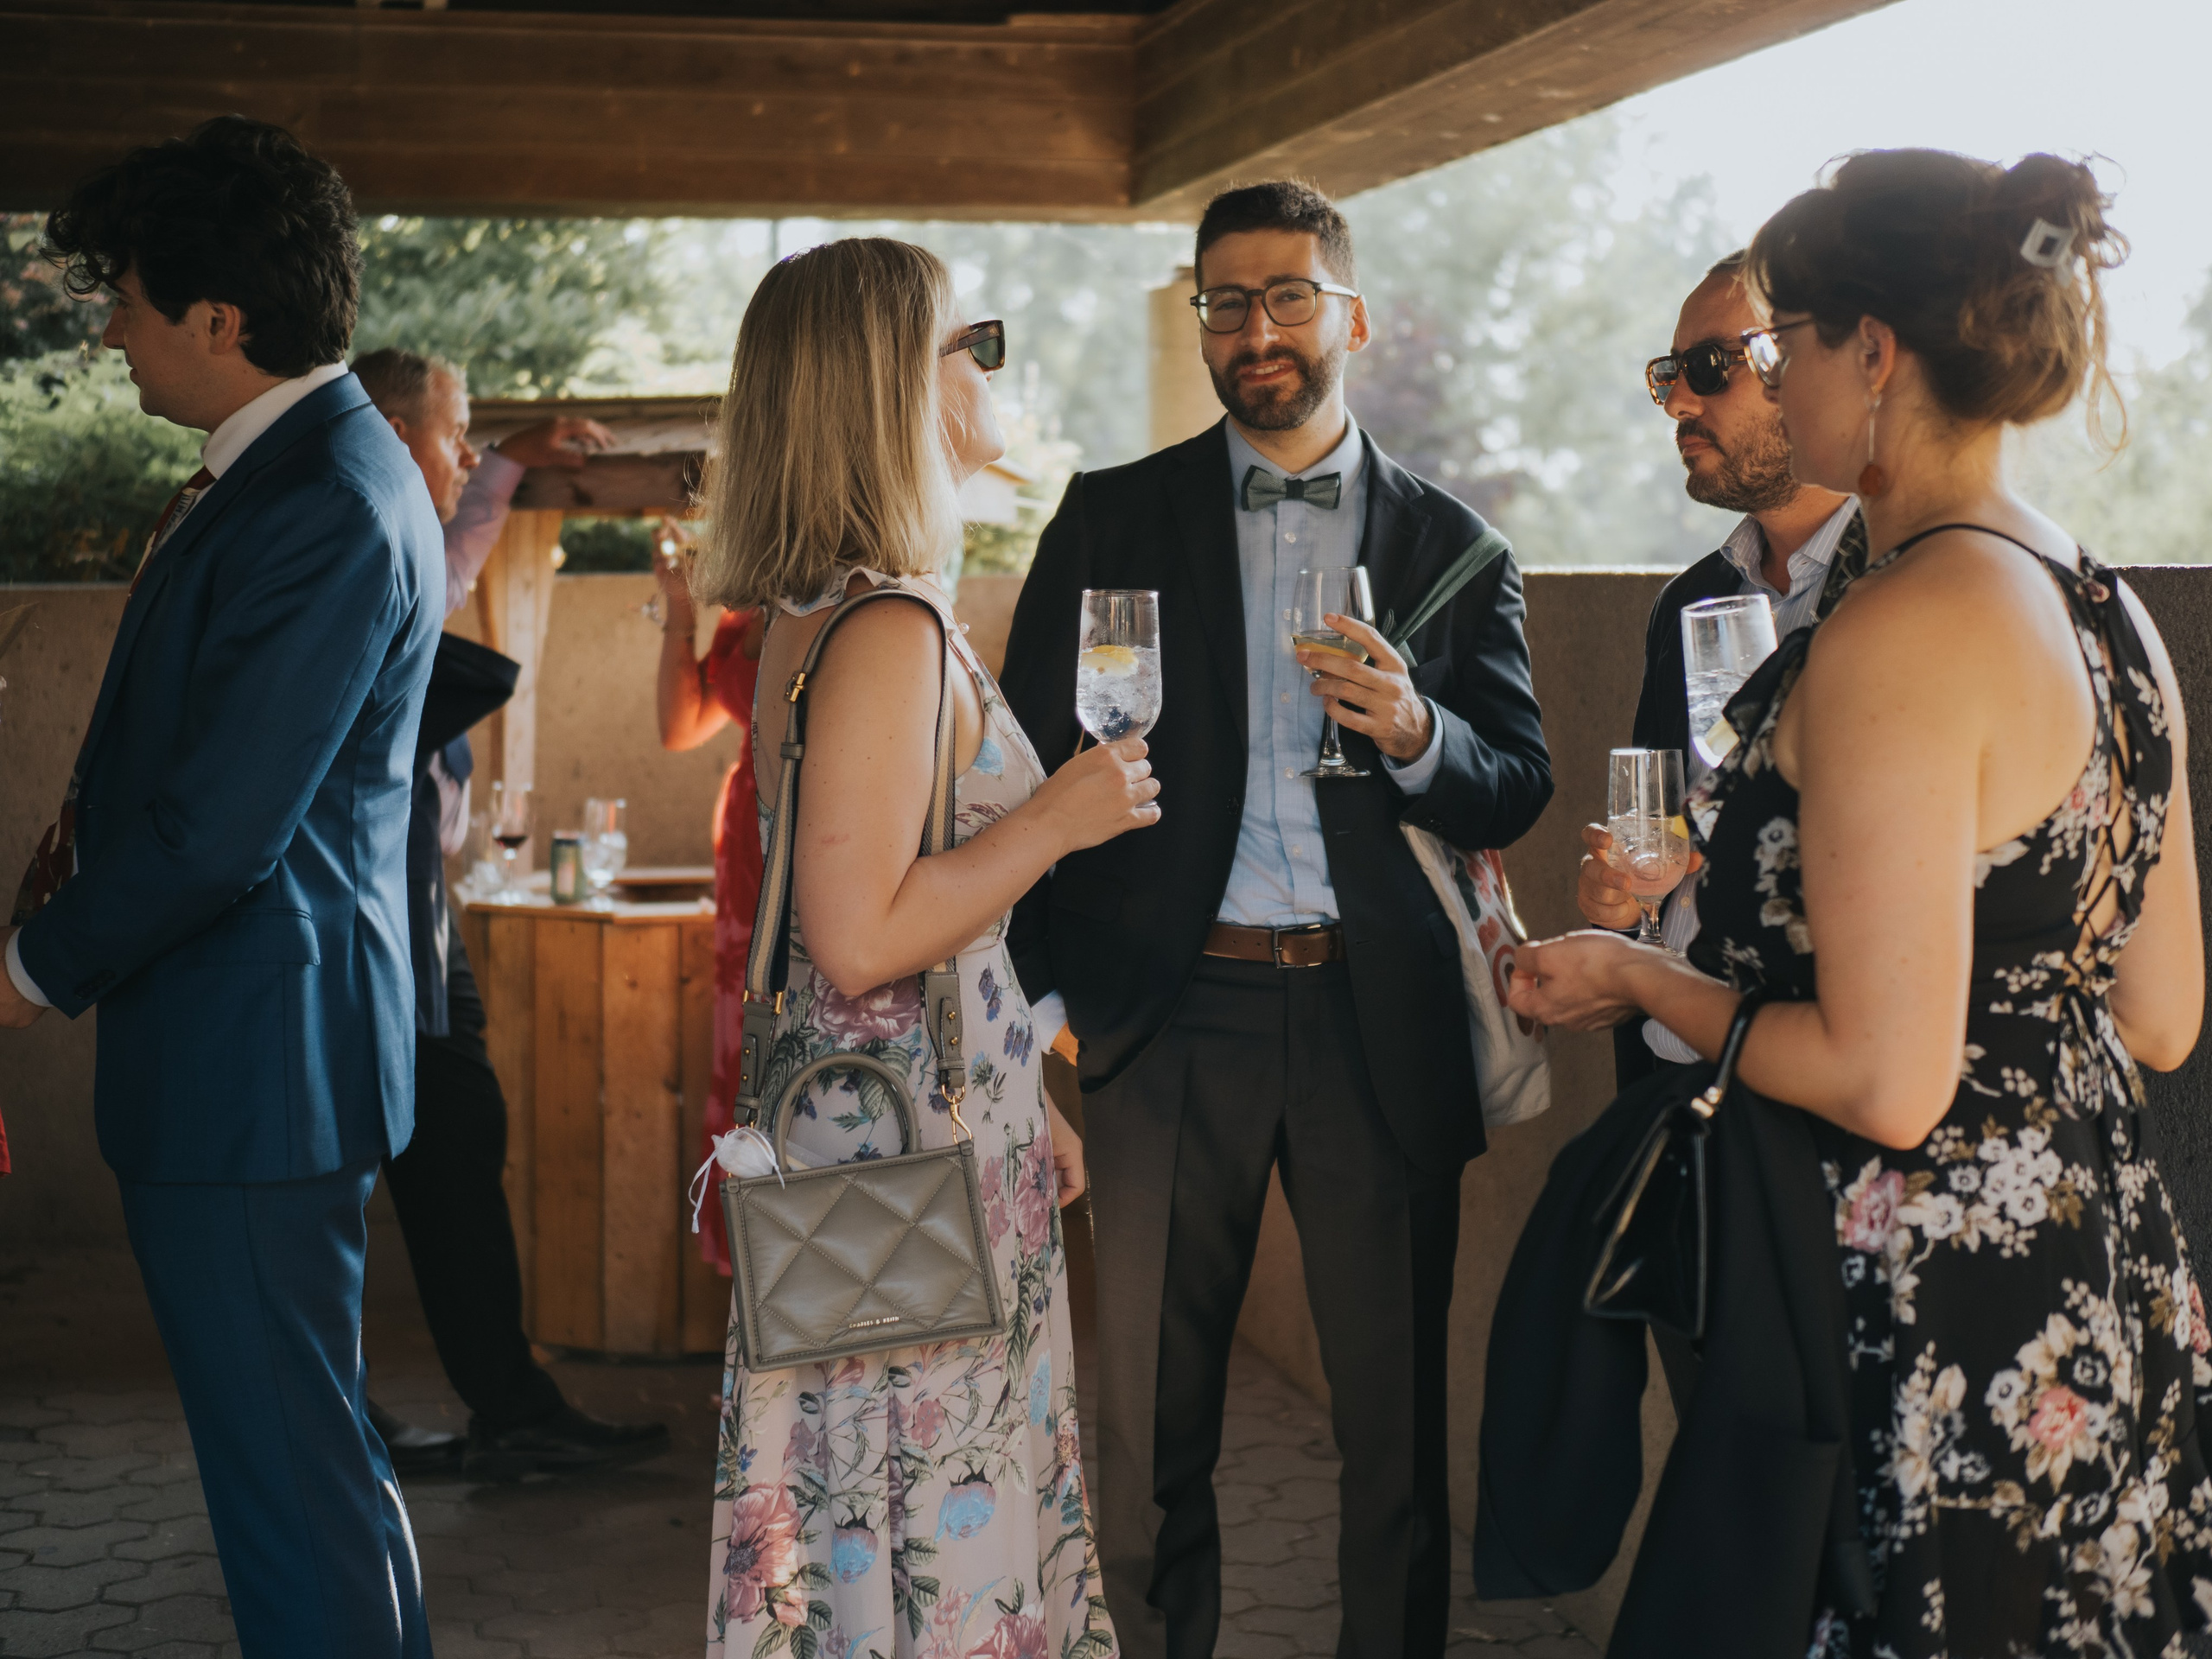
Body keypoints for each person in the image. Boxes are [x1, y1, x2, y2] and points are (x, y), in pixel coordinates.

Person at [1508, 149, 2210, 1655]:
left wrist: (1636, 981)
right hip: (2097, 1269)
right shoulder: (2110, 609)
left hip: (1925, 1305)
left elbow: (1887, 1081)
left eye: (1789, 341)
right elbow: (2161, 1015)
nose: (1773, 373)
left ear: (1871, 353)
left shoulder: (1901, 627)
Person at [997, 181, 1554, 1659]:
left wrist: (1420, 730)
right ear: (1201, 324)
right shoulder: (1109, 515)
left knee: (1393, 1444)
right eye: (1227, 302)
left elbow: (1513, 789)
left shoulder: (1456, 546)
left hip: (1379, 1023)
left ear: (1351, 314)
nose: (1260, 330)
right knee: (1153, 1437)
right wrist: (1055, 1007)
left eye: (1291, 296)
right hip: (1166, 1023)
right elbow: (1016, 770)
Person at [0, 118, 442, 1656]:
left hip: (256, 1072)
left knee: (290, 1487)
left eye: (124, 295)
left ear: (216, 318)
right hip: (263, 1057)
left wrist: (30, 970)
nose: (110, 329)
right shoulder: (294, 469)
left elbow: (215, 831)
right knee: (313, 1471)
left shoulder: (322, 495)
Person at [691, 237, 1148, 1654]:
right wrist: (1064, 816)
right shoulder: (887, 625)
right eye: (974, 340)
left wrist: (1031, 1085)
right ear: (896, 388)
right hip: (906, 1159)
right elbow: (860, 930)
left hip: (910, 1129)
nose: (992, 366)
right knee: (927, 1523)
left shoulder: (835, 608)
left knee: (867, 1521)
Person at [349, 346, 669, 1480]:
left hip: (411, 903)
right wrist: (508, 471)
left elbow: (455, 556)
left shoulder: (389, 534)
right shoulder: (356, 543)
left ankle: (498, 1404)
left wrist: (514, 462)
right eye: (456, 433)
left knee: (449, 1142)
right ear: (389, 435)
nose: (470, 453)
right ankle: (395, 1417)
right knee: (389, 1156)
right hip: (367, 909)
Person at [1580, 251, 1861, 1093]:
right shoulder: (1687, 604)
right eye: (1666, 373)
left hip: (1824, 1091)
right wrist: (1624, 907)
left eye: (1709, 367)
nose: (1676, 400)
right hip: (1684, 1091)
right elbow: (1668, 844)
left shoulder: (1905, 590)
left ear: (1802, 364)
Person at [645, 515, 766, 1277]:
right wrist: (681, 612)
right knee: (740, 1055)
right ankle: (746, 1290)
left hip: (800, 840)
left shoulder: (839, 588)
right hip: (744, 850)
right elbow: (680, 726)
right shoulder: (744, 609)